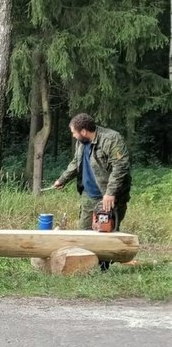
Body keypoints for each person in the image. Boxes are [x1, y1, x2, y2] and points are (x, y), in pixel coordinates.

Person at [53, 113, 131, 270]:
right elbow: (76, 162)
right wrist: (62, 179)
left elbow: (121, 166)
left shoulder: (111, 139)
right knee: (84, 232)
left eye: (74, 132)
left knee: (106, 232)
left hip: (109, 196)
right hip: (88, 194)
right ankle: (85, 267)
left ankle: (103, 269)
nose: (73, 136)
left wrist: (110, 193)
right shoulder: (82, 143)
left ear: (83, 131)